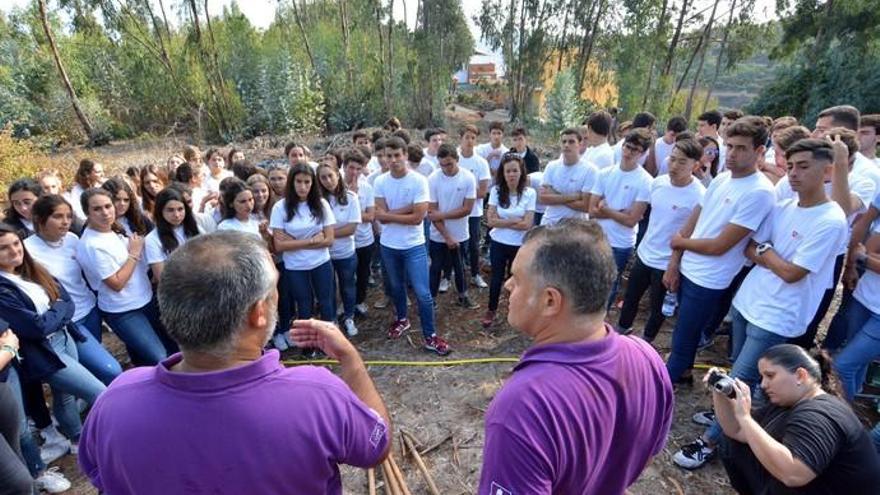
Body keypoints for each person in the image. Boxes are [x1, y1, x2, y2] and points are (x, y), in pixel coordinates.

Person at [78, 231, 392, 494]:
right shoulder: (317, 394)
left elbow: (100, 475)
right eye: (274, 290)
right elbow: (376, 447)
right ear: (258, 312)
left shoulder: (114, 400)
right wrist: (351, 360)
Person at [675, 138, 849, 469]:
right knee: (740, 369)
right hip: (748, 302)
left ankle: (710, 442)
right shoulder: (785, 207)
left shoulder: (830, 219)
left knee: (739, 378)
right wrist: (770, 255)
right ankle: (728, 420)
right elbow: (749, 249)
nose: (794, 173)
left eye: (803, 166)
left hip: (777, 315)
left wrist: (767, 252)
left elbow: (792, 273)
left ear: (827, 171)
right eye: (792, 165)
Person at [478, 219, 673, 494]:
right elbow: (646, 454)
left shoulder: (522, 408)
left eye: (517, 278)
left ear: (550, 301)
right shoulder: (647, 358)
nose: (508, 285)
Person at [665, 118, 776, 384]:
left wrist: (679, 243)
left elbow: (720, 246)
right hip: (689, 265)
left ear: (760, 151)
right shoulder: (723, 178)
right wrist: (675, 260)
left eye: (741, 148)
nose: (732, 154)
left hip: (709, 278)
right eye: (730, 146)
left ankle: (663, 384)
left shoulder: (760, 192)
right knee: (683, 330)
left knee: (684, 335)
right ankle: (683, 371)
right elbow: (697, 215)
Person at [0, 223, 107, 465]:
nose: (14, 251)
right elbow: (34, 328)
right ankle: (99, 439)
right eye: (3, 248)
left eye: (16, 243)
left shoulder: (31, 269)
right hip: (43, 351)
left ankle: (77, 440)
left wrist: (56, 310)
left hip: (64, 337)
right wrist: (57, 308)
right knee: (98, 391)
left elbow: (67, 300)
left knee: (66, 395)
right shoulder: (2, 287)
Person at [714, 344, 880, 494]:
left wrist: (745, 417)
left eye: (770, 376)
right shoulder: (788, 401)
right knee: (734, 444)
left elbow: (794, 475)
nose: (763, 384)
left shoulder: (819, 415)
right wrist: (719, 393)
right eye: (762, 377)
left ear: (800, 375)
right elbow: (736, 431)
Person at [25, 195, 122, 385]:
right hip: (68, 322)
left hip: (91, 311)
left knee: (89, 371)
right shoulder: (27, 250)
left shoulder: (72, 239)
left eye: (69, 216)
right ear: (40, 219)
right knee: (110, 369)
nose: (66, 222)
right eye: (58, 216)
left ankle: (92, 406)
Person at [618, 139, 706, 341]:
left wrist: (674, 264)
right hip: (645, 253)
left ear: (695, 165)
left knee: (658, 308)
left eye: (682, 162)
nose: (674, 166)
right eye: (672, 159)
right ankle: (621, 332)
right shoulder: (657, 183)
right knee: (631, 298)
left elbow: (691, 233)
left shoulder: (699, 195)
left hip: (667, 262)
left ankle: (646, 341)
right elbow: (645, 211)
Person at [76, 188, 173, 366]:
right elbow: (116, 283)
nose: (105, 212)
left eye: (107, 206)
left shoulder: (112, 230)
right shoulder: (92, 244)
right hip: (123, 311)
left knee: (168, 349)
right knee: (159, 356)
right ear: (86, 212)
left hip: (145, 299)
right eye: (97, 209)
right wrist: (134, 253)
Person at [373, 137, 450, 355]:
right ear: (384, 158)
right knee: (396, 288)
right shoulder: (380, 182)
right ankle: (402, 319)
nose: (394, 160)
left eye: (398, 155)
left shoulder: (418, 181)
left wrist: (390, 214)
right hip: (388, 246)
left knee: (423, 293)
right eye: (389, 156)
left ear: (406, 155)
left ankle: (430, 335)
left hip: (414, 246)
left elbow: (418, 218)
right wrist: (407, 210)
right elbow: (381, 217)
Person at [270, 163, 336, 349]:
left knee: (325, 302)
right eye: (298, 181)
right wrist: (312, 241)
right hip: (295, 266)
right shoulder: (280, 208)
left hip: (321, 262)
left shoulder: (321, 204)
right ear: (292, 182)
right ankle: (308, 345)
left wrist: (294, 241)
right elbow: (279, 245)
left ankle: (330, 342)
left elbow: (329, 239)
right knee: (304, 304)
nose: (303, 186)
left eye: (307, 182)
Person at [589, 128, 654, 308]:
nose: (628, 152)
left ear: (642, 153)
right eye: (627, 146)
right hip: (597, 236)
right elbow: (592, 210)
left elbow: (631, 221)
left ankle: (600, 319)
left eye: (634, 149)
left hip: (620, 243)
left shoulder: (645, 181)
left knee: (609, 283)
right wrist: (620, 212)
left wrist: (607, 209)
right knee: (589, 280)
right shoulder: (604, 174)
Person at [483, 153, 536, 328]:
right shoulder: (496, 191)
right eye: (508, 171)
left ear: (521, 172)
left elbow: (527, 224)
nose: (511, 175)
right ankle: (491, 309)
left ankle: (517, 311)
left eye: (514, 170)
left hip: (520, 245)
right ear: (503, 174)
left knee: (517, 280)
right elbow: (490, 221)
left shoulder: (529, 193)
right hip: (498, 242)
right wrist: (514, 221)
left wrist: (502, 221)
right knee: (496, 279)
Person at [427, 144, 478, 309]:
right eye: (442, 165)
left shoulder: (468, 178)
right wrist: (447, 236)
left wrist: (442, 215)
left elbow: (467, 209)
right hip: (438, 234)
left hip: (461, 233)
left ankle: (463, 296)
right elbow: (432, 212)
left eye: (449, 164)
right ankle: (431, 300)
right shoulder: (433, 179)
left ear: (457, 160)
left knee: (460, 267)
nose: (446, 168)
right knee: (435, 267)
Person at [833, 222, 880, 399]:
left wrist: (865, 259)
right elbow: (865, 248)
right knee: (857, 363)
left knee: (842, 366)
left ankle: (843, 418)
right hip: (864, 298)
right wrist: (865, 256)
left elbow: (863, 255)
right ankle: (853, 400)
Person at [317, 162, 362, 337]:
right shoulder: (317, 202)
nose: (328, 181)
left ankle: (349, 316)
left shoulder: (351, 197)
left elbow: (351, 228)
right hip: (323, 254)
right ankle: (332, 320)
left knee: (347, 285)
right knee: (327, 289)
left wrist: (326, 233)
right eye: (323, 177)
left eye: (331, 176)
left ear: (338, 175)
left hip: (345, 252)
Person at [456, 125, 491, 288]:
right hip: (455, 210)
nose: (470, 141)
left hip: (474, 212)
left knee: (473, 244)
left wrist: (461, 192)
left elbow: (483, 191)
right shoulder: (454, 158)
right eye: (467, 137)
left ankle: (475, 274)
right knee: (456, 243)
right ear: (460, 138)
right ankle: (453, 274)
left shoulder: (481, 162)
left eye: (473, 138)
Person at [539, 128, 597, 226]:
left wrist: (555, 194)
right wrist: (574, 196)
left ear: (580, 144)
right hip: (550, 224)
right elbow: (543, 198)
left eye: (571, 142)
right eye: (564, 142)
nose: (566, 145)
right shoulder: (551, 166)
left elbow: (585, 206)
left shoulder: (590, 170)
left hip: (576, 228)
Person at [343, 150, 376, 318]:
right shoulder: (336, 187)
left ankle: (359, 301)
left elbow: (370, 216)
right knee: (345, 277)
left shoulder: (367, 188)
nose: (354, 172)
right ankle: (345, 304)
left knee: (363, 274)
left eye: (358, 168)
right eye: (351, 168)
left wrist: (353, 200)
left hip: (364, 240)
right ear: (344, 167)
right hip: (343, 242)